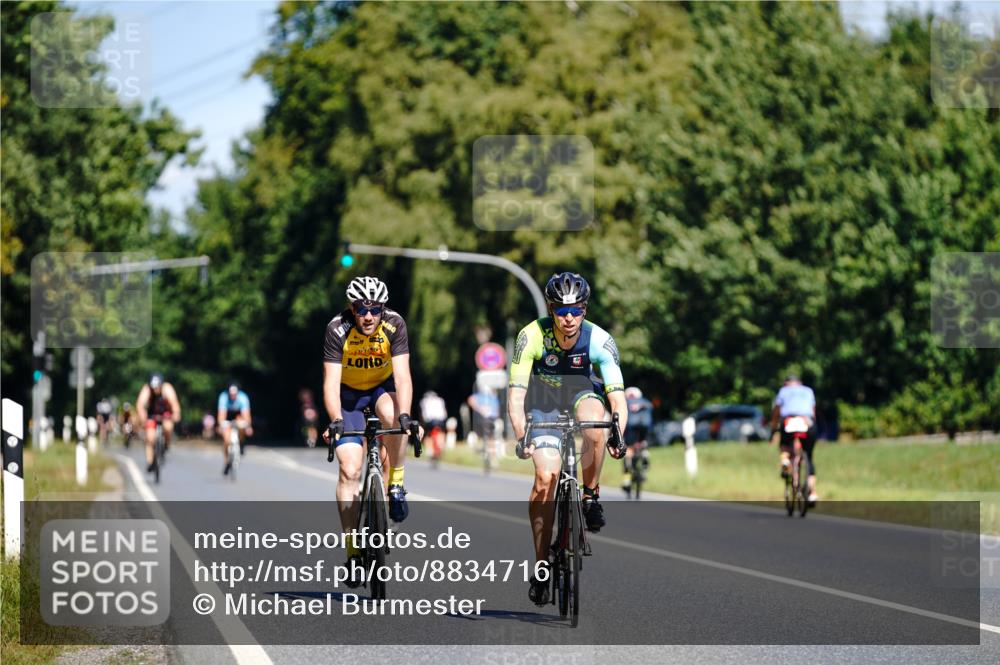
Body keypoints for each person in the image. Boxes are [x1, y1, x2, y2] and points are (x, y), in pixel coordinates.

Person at [508, 272, 627, 606]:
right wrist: (521, 436)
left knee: (596, 422)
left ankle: (590, 495)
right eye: (561, 311)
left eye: (576, 310)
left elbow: (617, 399)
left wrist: (618, 434)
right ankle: (542, 565)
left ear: (585, 310)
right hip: (542, 405)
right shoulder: (530, 336)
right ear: (551, 309)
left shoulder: (599, 340)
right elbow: (515, 396)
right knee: (545, 478)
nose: (569, 318)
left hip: (582, 395)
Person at [322, 276, 422, 586]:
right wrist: (336, 418)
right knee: (350, 470)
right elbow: (330, 382)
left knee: (396, 420)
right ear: (352, 309)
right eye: (361, 309)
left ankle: (396, 484)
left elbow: (403, 377)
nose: (368, 316)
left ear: (383, 309)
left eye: (375, 309)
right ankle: (352, 554)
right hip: (348, 397)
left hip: (381, 389)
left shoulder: (394, 325)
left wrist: (405, 415)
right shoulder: (337, 329)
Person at [770, 374, 819, 504]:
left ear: (786, 383)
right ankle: (812, 492)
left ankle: (785, 459)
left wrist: (773, 428)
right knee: (808, 456)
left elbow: (776, 412)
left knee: (784, 445)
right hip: (807, 422)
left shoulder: (783, 391)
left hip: (789, 421)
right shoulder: (808, 391)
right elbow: (813, 412)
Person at [136, 373, 181, 473]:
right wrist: (142, 417)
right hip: (152, 415)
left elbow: (174, 403)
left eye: (157, 387)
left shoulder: (167, 389)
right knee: (150, 437)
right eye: (154, 387)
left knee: (168, 427)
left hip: (166, 414)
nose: (156, 389)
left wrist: (176, 414)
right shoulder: (146, 389)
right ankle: (150, 461)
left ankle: (166, 445)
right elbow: (140, 405)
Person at [621, 386, 653, 498]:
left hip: (629, 433)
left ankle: (626, 481)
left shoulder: (624, 403)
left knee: (627, 455)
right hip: (643, 433)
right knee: (644, 446)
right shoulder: (645, 403)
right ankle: (644, 458)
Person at [217, 382, 253, 476]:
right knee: (226, 439)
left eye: (235, 394)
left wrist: (248, 426)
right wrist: (221, 425)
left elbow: (246, 415)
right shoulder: (223, 397)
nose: (233, 396)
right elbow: (221, 415)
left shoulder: (243, 398)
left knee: (242, 427)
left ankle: (241, 444)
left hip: (239, 416)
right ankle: (226, 461)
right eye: (231, 394)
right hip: (227, 417)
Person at [467, 383, 501, 466]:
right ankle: (491, 456)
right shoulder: (487, 397)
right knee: (490, 437)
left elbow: (497, 410)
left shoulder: (491, 397)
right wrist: (479, 409)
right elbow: (471, 400)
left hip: (489, 420)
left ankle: (491, 456)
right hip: (484, 420)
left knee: (490, 437)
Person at [419, 390, 448, 462]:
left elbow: (423, 415)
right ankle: (441, 447)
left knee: (428, 435)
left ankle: (429, 450)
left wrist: (422, 423)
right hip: (440, 421)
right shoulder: (440, 400)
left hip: (430, 421)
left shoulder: (424, 401)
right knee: (441, 433)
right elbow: (444, 413)